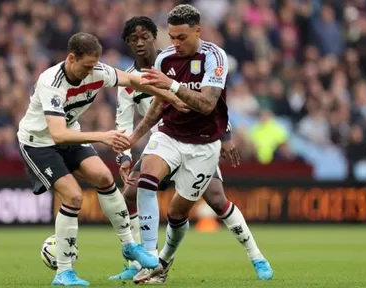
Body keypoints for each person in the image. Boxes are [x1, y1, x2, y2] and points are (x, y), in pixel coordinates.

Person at [115, 6, 274, 283]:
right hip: (169, 136)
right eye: (172, 37)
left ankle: (255, 256)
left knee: (180, 211)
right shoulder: (165, 59)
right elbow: (156, 107)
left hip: (204, 145)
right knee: (144, 182)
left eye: (181, 37)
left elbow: (209, 104)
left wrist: (174, 87)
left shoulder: (215, 57)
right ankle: (149, 257)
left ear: (197, 31)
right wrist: (133, 138)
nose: (175, 43)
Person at [17, 32, 186, 286]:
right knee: (73, 196)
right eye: (86, 66)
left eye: (95, 65)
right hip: (39, 143)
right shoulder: (51, 82)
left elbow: (132, 80)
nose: (91, 71)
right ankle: (63, 272)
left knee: (105, 178)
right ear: (71, 58)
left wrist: (170, 95)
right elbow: (58, 134)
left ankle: (129, 246)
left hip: (70, 133)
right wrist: (104, 137)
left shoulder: (97, 70)